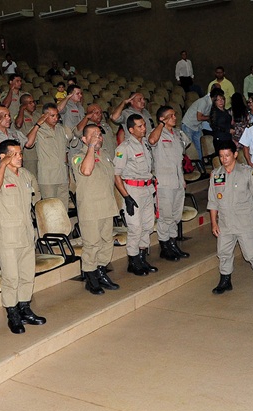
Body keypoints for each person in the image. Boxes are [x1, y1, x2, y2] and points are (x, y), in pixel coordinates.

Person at [0, 140, 45, 334]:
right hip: (8, 236)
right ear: (3, 156)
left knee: (27, 275)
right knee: (11, 277)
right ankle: (12, 314)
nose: (20, 157)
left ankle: (25, 308)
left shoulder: (27, 175)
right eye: (15, 154)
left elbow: (36, 198)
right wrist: (3, 165)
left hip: (27, 233)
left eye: (20, 154)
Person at [207, 144, 253, 297]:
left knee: (251, 255)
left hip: (245, 222)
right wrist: (214, 223)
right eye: (221, 156)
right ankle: (225, 280)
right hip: (225, 223)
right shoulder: (216, 175)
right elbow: (212, 201)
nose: (224, 159)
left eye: (227, 156)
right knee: (223, 253)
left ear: (235, 154)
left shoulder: (247, 172)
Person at [72, 125, 120, 295]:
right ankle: (90, 277)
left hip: (107, 205)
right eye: (92, 136)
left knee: (107, 241)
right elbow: (86, 170)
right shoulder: (78, 157)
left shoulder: (106, 154)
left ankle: (101, 271)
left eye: (99, 135)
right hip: (91, 209)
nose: (97, 138)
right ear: (84, 139)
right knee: (92, 244)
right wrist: (91, 147)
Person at [113, 115, 158, 277]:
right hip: (133, 190)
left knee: (147, 225)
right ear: (131, 130)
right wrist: (126, 197)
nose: (144, 128)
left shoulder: (145, 143)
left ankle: (142, 257)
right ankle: (133, 261)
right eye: (139, 126)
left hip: (147, 189)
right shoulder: (123, 148)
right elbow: (116, 175)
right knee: (135, 227)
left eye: (144, 125)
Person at [149, 106, 192, 261]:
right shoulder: (158, 133)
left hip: (178, 181)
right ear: (162, 118)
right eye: (170, 116)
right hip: (164, 183)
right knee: (165, 217)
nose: (174, 117)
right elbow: (152, 141)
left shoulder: (178, 133)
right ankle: (165, 247)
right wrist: (161, 124)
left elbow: (181, 155)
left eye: (174, 115)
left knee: (175, 216)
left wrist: (183, 179)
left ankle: (173, 244)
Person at [25, 103, 72, 210]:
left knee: (63, 209)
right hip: (48, 177)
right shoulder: (38, 130)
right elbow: (28, 144)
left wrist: (67, 173)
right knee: (50, 209)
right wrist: (37, 124)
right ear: (44, 116)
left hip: (62, 175)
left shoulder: (61, 129)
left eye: (57, 115)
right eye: (52, 116)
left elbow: (65, 153)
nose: (56, 118)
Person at [181, 89, 216, 160]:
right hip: (188, 125)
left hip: (197, 126)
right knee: (188, 147)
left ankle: (200, 164)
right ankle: (187, 165)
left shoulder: (210, 103)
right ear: (215, 97)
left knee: (199, 147)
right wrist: (210, 117)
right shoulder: (204, 101)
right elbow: (199, 117)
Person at [14, 94, 39, 175]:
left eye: (33, 102)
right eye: (30, 103)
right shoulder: (20, 116)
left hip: (40, 150)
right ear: (24, 105)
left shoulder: (37, 115)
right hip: (29, 154)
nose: (33, 104)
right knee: (32, 176)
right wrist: (21, 109)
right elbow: (18, 125)